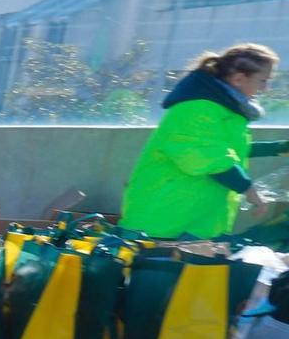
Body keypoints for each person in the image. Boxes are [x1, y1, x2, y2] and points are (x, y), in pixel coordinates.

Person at [121, 43, 283, 239]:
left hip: (192, 218)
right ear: (239, 79)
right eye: (263, 81)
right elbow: (208, 156)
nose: (264, 89)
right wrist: (249, 191)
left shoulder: (221, 109)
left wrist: (279, 148)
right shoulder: (197, 108)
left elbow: (229, 149)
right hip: (164, 219)